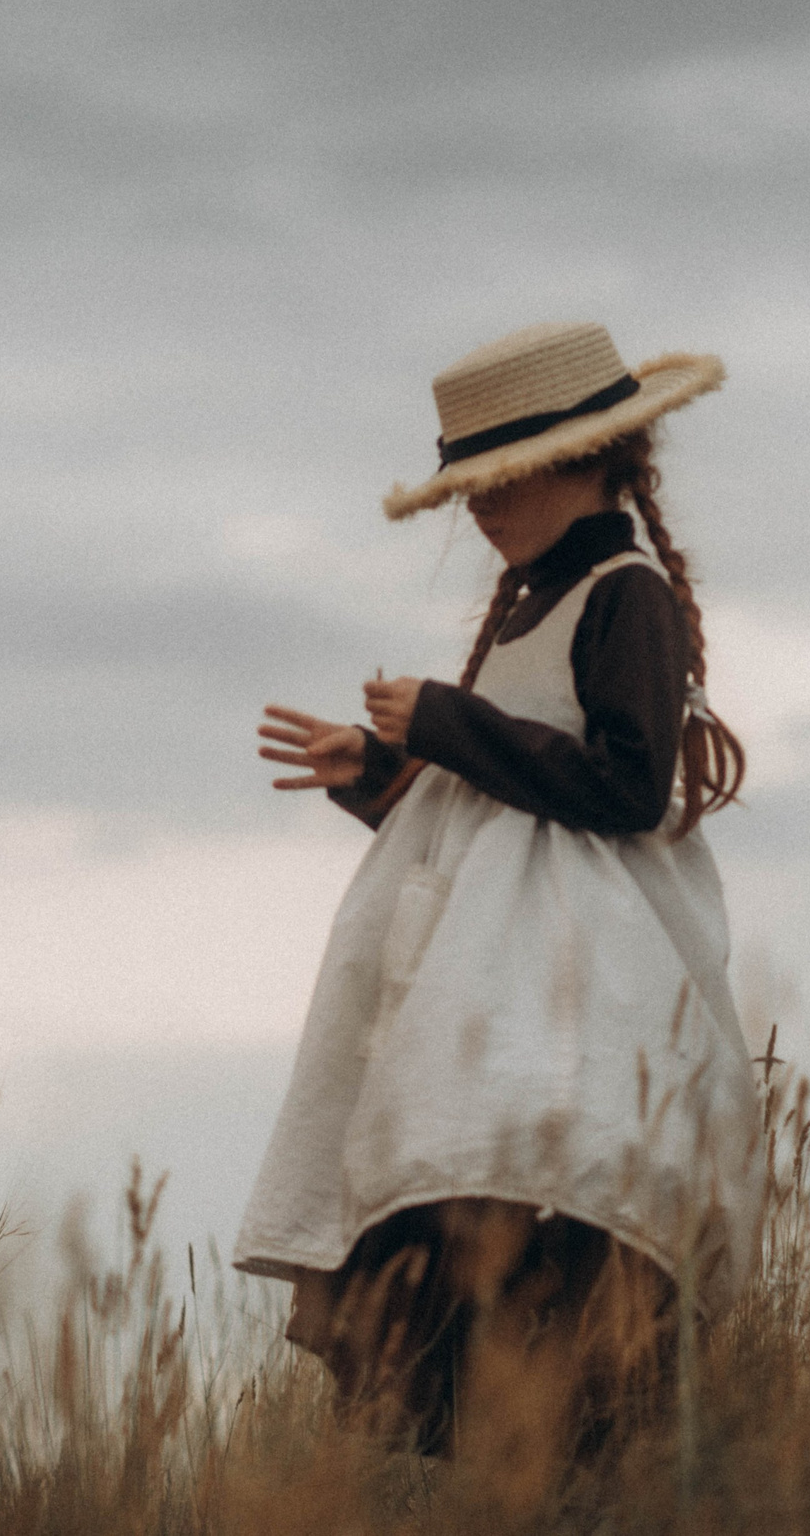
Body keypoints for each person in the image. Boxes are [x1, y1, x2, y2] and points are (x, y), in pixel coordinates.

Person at [235, 320, 762, 1459]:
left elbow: (624, 791)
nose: (476, 509)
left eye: (495, 481)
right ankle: (485, 1453)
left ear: (590, 462)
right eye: (465, 486)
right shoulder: (530, 605)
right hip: (483, 984)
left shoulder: (627, 595)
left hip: (575, 992)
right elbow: (489, 825)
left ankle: (556, 1445)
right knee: (437, 1180)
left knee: (531, 1193)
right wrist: (382, 779)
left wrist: (445, 719)